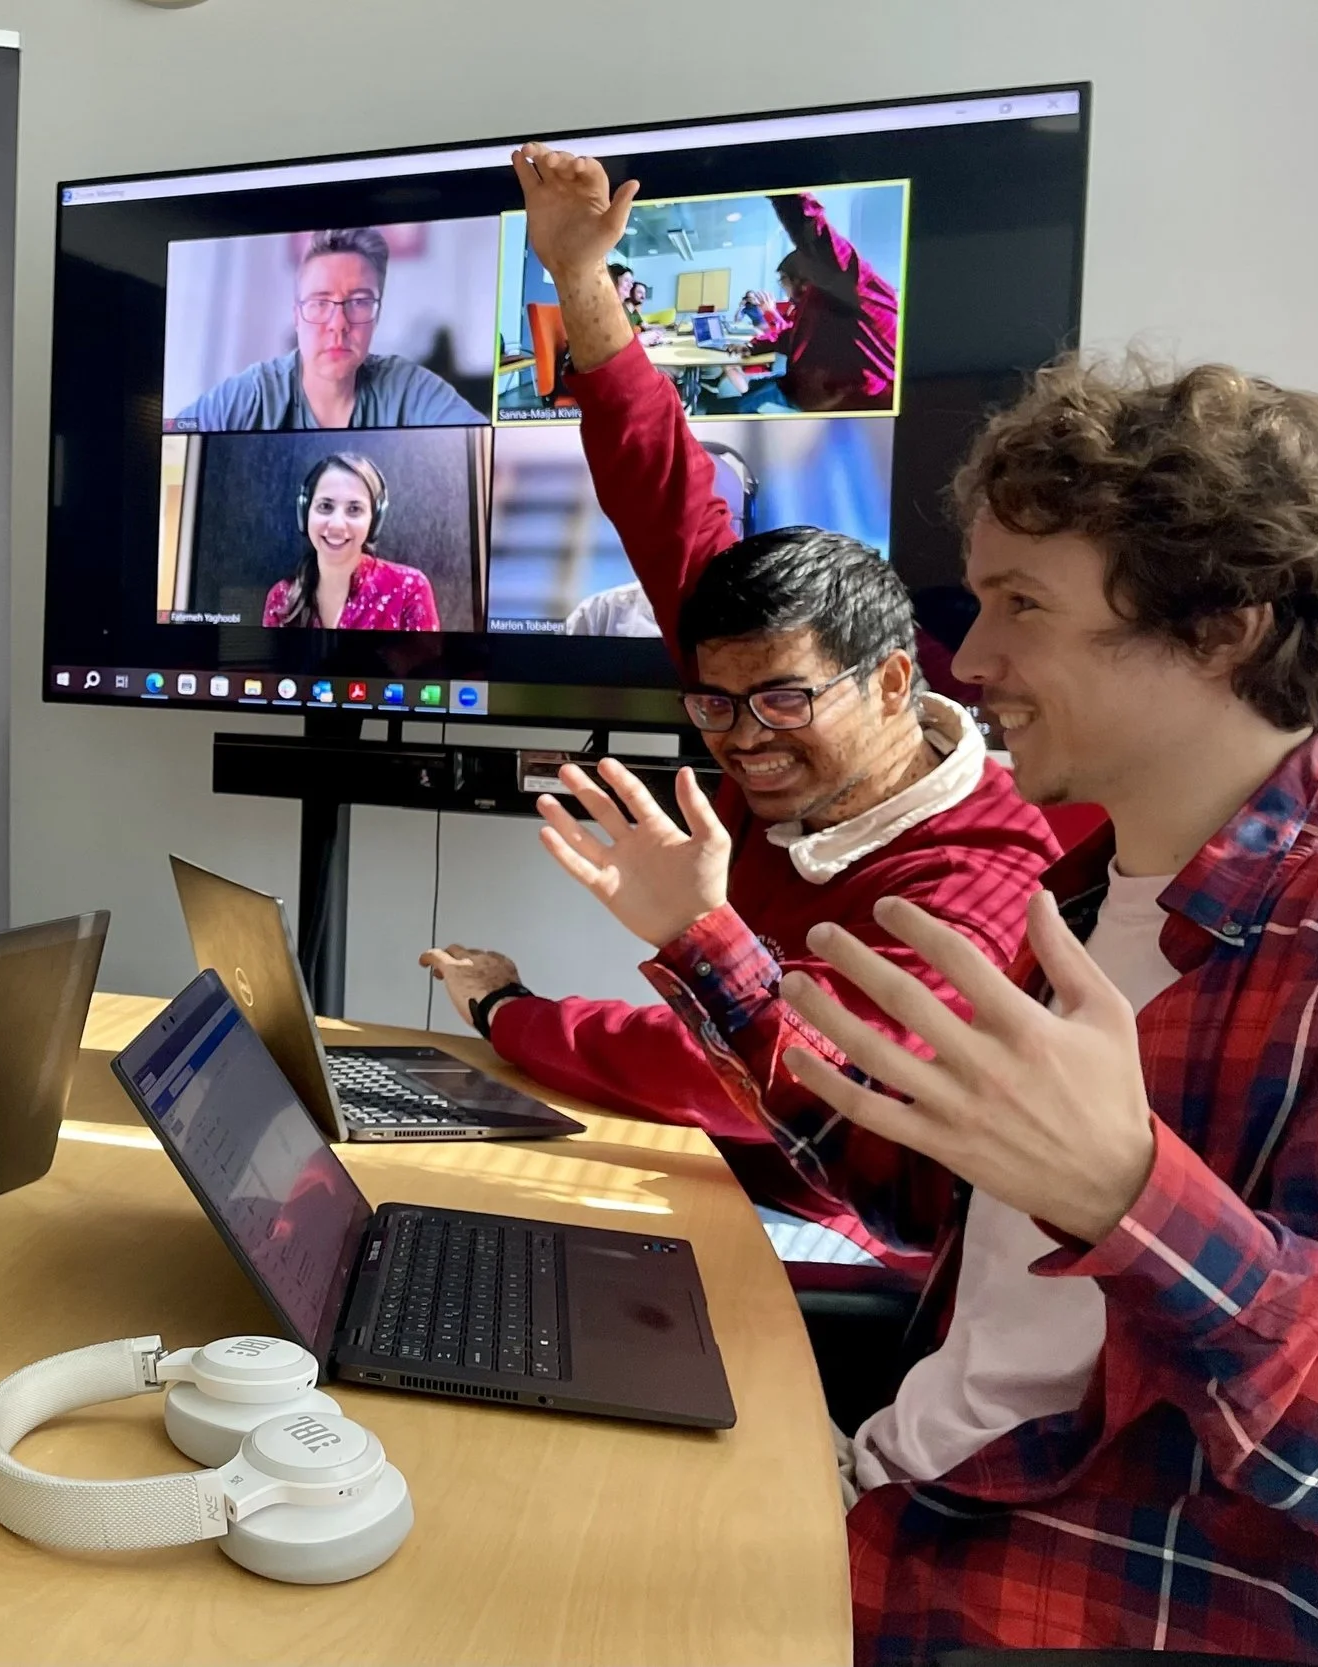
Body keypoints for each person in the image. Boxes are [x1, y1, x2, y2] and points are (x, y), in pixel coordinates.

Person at [655, 354, 1318, 1658]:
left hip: (1018, 1595)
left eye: (1021, 603)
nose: (969, 660)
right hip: (884, 1493)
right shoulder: (1076, 903)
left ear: (1222, 627)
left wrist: (1130, 1194)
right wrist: (701, 942)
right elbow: (930, 1197)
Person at [422, 145, 1058, 1267]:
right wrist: (578, 277)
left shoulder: (987, 871)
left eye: (780, 703)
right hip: (723, 1167)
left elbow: (783, 1075)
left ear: (897, 681)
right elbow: (658, 483)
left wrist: (510, 1010)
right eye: (712, 707)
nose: (744, 740)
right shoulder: (760, 667)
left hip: (843, 1237)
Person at [176, 228, 487, 432]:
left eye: (359, 302)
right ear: (297, 316)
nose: (338, 324)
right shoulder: (255, 394)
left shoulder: (409, 388)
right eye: (320, 302)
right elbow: (172, 442)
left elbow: (486, 445)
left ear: (376, 316)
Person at [716, 192, 900, 414]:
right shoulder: (814, 303)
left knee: (732, 408)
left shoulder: (852, 288)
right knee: (732, 401)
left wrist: (785, 191)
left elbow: (813, 234)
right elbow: (791, 336)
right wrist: (752, 346)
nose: (782, 288)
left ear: (801, 279)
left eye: (782, 280)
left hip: (848, 412)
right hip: (801, 391)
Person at [260, 452, 439, 631]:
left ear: (374, 520)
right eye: (325, 506)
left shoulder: (409, 589)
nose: (337, 525)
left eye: (354, 509)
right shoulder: (282, 598)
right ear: (305, 512)